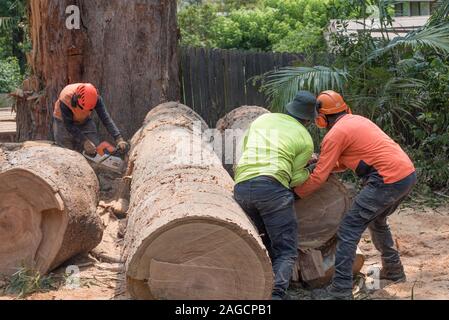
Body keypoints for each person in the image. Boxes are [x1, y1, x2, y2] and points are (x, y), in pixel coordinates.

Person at [294, 90, 417, 300]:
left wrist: (295, 194)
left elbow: (318, 177)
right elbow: (348, 161)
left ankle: (340, 290)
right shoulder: (357, 120)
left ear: (321, 118)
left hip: (386, 179)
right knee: (377, 221)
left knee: (349, 229)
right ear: (343, 108)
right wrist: (323, 162)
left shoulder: (335, 134)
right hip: (406, 174)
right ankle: (394, 271)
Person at [234, 91, 318, 300]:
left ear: (290, 108)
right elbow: (295, 179)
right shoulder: (305, 139)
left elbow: (245, 149)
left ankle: (251, 288)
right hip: (272, 189)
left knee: (257, 241)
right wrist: (311, 169)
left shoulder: (263, 120)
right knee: (286, 250)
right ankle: (276, 295)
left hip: (242, 186)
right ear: (308, 119)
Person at [53, 83, 129, 155]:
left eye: (89, 109)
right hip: (63, 122)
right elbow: (69, 125)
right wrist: (85, 141)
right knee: (67, 151)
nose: (85, 111)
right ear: (76, 99)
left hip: (84, 120)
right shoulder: (66, 98)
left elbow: (105, 118)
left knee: (94, 147)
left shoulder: (95, 98)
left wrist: (118, 138)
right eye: (83, 108)